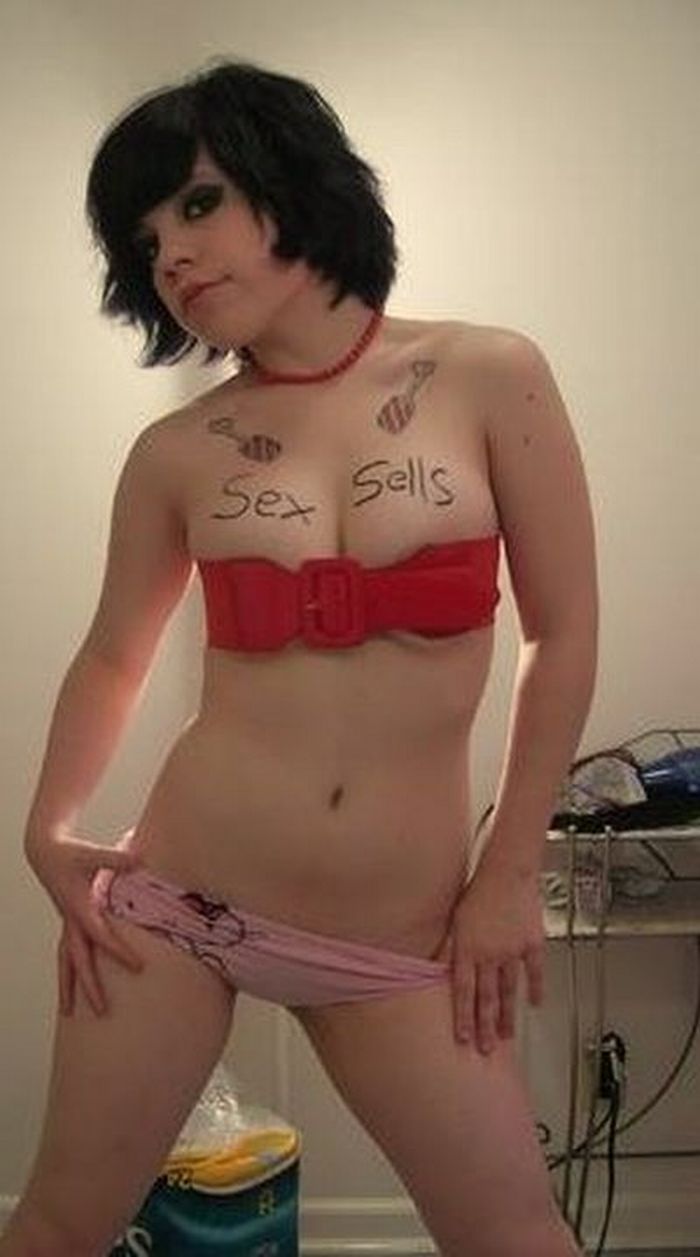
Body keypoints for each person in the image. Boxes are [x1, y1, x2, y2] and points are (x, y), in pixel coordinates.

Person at [2, 57, 597, 1257]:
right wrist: (47, 827)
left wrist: (507, 875)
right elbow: (113, 655)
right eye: (145, 240)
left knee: (513, 1234)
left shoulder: (489, 374)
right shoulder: (177, 451)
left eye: (198, 202)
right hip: (180, 901)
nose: (171, 254)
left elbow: (563, 631)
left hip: (400, 937)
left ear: (294, 180)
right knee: (59, 1224)